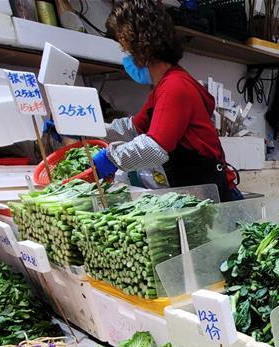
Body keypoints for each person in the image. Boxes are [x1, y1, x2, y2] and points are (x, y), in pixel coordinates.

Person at [94, 0, 241, 200]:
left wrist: (111, 158)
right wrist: (85, 129)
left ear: (142, 49)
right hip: (197, 194)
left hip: (216, 198)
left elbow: (154, 149)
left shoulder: (175, 86)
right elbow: (132, 129)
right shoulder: (163, 87)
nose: (125, 57)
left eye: (125, 50)